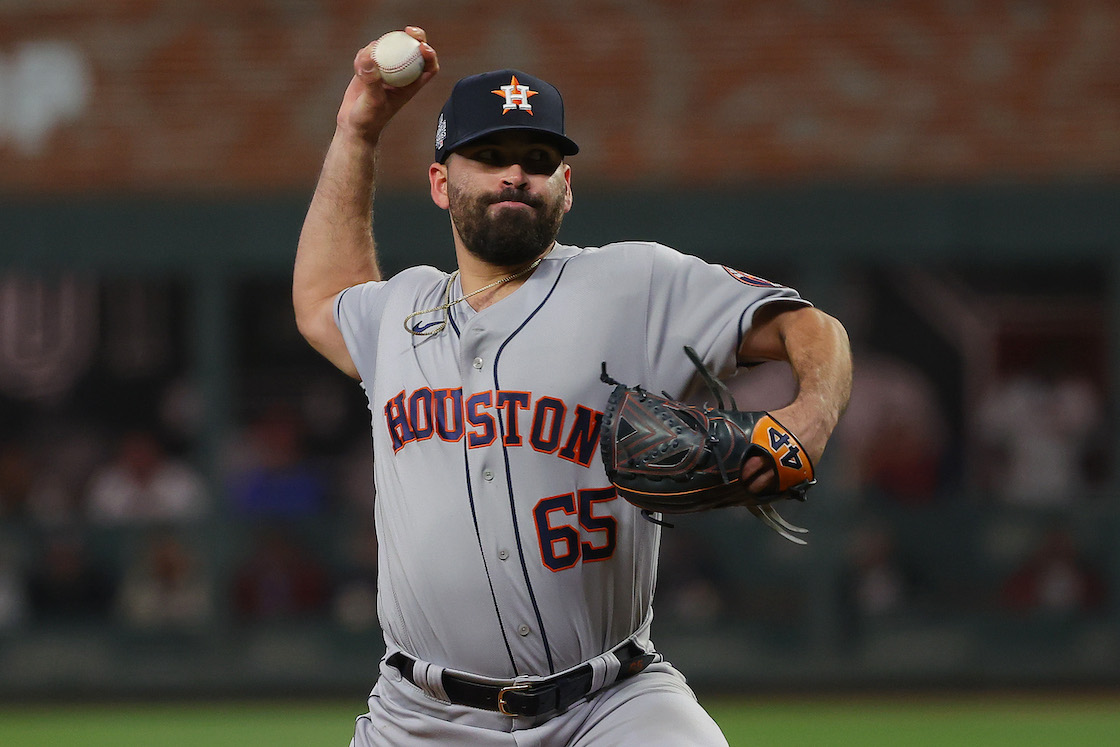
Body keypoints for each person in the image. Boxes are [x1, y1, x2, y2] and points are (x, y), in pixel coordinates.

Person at [293, 27, 852, 747]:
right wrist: (357, 128)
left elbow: (809, 327)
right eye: (488, 157)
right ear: (440, 183)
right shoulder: (398, 312)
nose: (514, 174)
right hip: (423, 718)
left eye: (537, 158)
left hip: (612, 702)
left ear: (566, 184)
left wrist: (812, 413)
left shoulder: (634, 282)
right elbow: (322, 298)